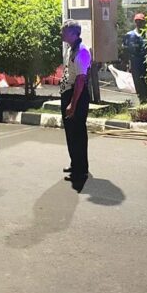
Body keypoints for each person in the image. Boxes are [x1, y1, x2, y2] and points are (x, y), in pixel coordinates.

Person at [59, 20, 91, 181]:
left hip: (77, 94)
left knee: (78, 132)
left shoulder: (82, 51)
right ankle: (75, 163)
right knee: (70, 132)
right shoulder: (70, 49)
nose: (61, 34)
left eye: (64, 31)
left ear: (73, 33)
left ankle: (81, 169)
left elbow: (80, 80)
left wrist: (73, 103)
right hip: (68, 92)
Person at [123, 12, 147, 104]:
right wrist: (126, 63)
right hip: (134, 61)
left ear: (144, 22)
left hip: (146, 61)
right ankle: (141, 98)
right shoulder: (129, 35)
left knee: (146, 80)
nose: (139, 23)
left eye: (141, 21)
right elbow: (125, 50)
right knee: (137, 80)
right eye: (137, 21)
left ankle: (146, 96)